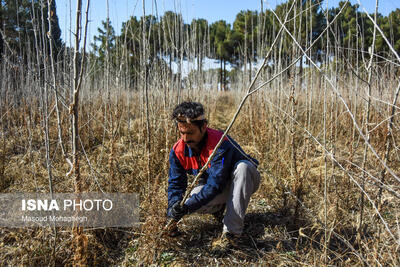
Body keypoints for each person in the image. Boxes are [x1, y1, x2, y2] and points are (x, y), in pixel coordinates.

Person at [167, 101, 261, 251]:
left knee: (243, 168)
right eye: (181, 132)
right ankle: (219, 209)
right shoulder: (178, 150)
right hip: (217, 188)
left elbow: (215, 184)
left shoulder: (220, 145)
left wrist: (187, 207)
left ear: (203, 127)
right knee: (193, 196)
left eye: (190, 133)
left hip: (244, 181)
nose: (185, 138)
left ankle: (231, 234)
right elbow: (175, 184)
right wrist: (173, 210)